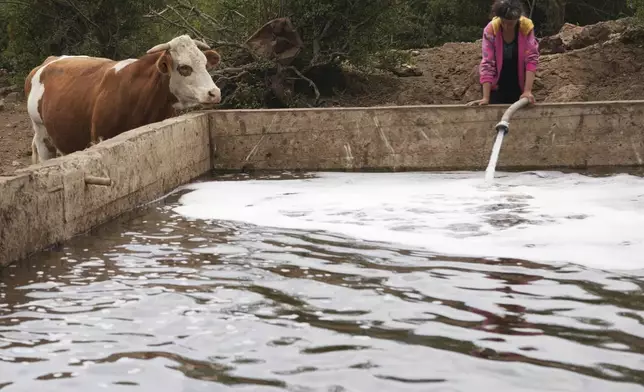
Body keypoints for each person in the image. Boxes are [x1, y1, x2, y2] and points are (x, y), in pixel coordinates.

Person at [467, 0, 540, 106]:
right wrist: (486, 98)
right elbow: (488, 62)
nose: (506, 26)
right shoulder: (491, 29)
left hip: (518, 80)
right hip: (496, 83)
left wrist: (527, 91)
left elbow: (531, 58)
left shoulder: (526, 27)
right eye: (503, 22)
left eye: (510, 23)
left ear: (517, 19)